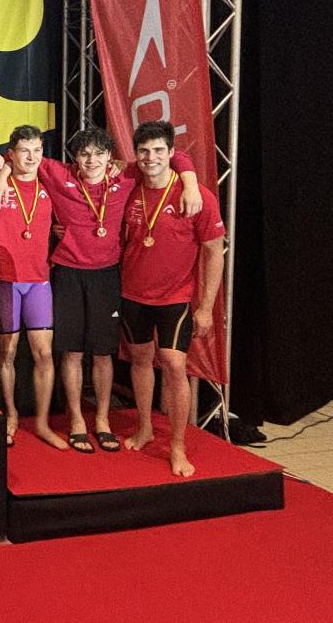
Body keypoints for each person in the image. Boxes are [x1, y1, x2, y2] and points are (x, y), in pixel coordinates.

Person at [0, 126, 202, 453]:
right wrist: (3, 175)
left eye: (99, 154)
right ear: (75, 158)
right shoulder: (59, 173)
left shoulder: (125, 176)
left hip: (107, 275)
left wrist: (189, 181)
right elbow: (20, 157)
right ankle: (77, 419)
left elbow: (173, 156)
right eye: (85, 154)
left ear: (110, 158)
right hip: (67, 274)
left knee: (104, 353)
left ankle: (102, 419)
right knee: (72, 353)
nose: (91, 161)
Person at [121, 121, 225, 477]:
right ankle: (145, 427)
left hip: (175, 297)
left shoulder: (196, 196)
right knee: (139, 359)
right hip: (131, 292)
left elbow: (214, 252)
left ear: (171, 154)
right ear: (136, 155)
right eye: (144, 151)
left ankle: (177, 445)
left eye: (159, 151)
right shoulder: (130, 183)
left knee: (174, 364)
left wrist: (206, 308)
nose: (151, 158)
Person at [0, 125, 66, 449]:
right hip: (7, 280)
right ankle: (10, 415)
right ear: (12, 154)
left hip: (39, 281)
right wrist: (3, 172)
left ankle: (44, 423)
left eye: (37, 150)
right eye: (24, 151)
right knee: (5, 352)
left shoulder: (50, 184)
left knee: (44, 353)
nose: (32, 157)